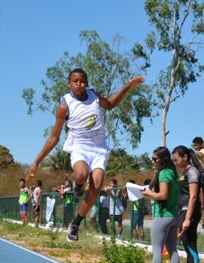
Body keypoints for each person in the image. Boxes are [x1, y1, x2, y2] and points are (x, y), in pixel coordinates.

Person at [26, 68, 145, 242]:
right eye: (75, 81)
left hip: (99, 149)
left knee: (96, 185)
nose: (79, 84)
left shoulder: (94, 96)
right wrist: (37, 162)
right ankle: (78, 184)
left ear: (87, 83)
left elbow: (111, 105)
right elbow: (54, 137)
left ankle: (75, 223)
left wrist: (128, 86)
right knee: (81, 174)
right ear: (69, 84)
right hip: (79, 147)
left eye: (82, 81)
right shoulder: (64, 106)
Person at [136, 147, 181, 263]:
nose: (153, 161)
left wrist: (149, 194)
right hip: (174, 215)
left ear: (162, 159)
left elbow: (163, 195)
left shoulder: (164, 174)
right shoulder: (173, 173)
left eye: (155, 159)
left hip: (163, 215)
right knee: (173, 249)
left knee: (157, 249)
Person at [172, 145, 202, 263]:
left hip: (190, 211)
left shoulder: (192, 172)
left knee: (190, 245)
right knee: (186, 243)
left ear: (185, 157)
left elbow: (194, 196)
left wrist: (188, 218)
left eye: (177, 159)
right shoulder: (185, 172)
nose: (175, 163)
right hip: (182, 211)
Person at [192, 136, 204, 229]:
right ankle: (202, 219)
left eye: (196, 145)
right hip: (202, 177)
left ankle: (203, 219)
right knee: (203, 198)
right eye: (194, 145)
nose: (195, 147)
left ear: (201, 144)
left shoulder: (202, 153)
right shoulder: (203, 152)